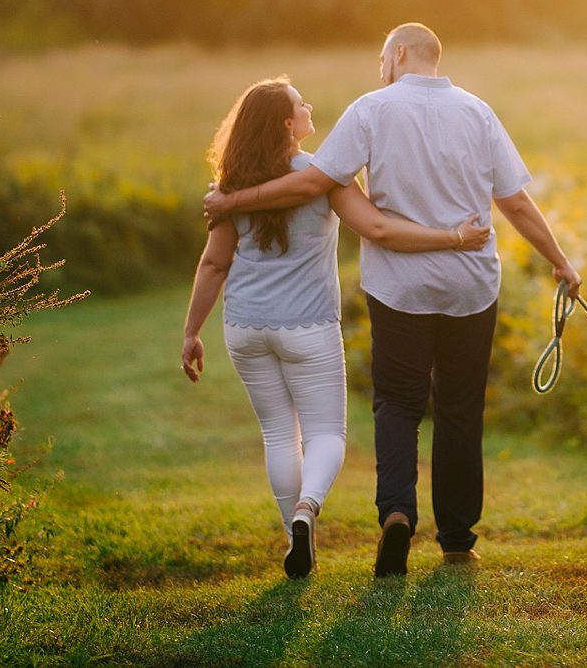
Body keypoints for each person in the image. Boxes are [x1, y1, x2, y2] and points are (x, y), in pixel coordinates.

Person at [204, 23, 581, 577]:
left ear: (399, 53)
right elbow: (516, 202)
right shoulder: (478, 112)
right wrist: (560, 260)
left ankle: (397, 514)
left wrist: (231, 198)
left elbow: (313, 184)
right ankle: (456, 538)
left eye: (383, 56)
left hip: (400, 288)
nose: (380, 66)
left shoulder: (370, 110)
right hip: (470, 286)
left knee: (398, 404)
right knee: (459, 408)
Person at [181, 76, 490, 580]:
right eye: (301, 103)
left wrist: (192, 332)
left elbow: (214, 265)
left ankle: (295, 539)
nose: (309, 106)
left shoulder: (229, 187)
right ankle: (307, 510)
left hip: (245, 328)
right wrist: (453, 236)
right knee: (326, 433)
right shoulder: (324, 176)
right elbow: (379, 228)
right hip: (308, 326)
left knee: (279, 434)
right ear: (288, 124)